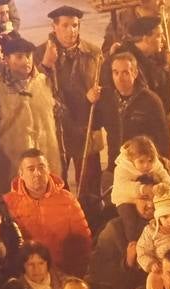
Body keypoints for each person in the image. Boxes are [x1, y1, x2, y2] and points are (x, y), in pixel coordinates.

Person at [36, 6, 104, 195]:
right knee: (57, 186)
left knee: (90, 185)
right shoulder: (40, 53)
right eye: (65, 25)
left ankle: (92, 220)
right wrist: (45, 65)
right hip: (57, 132)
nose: (71, 31)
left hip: (86, 130)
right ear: (54, 27)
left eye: (75, 25)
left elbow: (105, 87)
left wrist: (94, 98)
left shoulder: (94, 54)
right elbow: (34, 90)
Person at [0, 36, 63, 193]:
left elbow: (57, 116)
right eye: (19, 57)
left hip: (45, 158)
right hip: (12, 163)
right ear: (6, 59)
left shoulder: (44, 81)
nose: (26, 61)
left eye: (29, 56)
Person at [3, 149, 92, 277]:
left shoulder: (67, 199)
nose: (37, 173)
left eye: (41, 167)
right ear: (21, 174)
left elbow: (83, 240)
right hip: (24, 274)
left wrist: (74, 274)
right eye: (31, 169)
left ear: (48, 170)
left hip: (61, 272)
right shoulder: (8, 203)